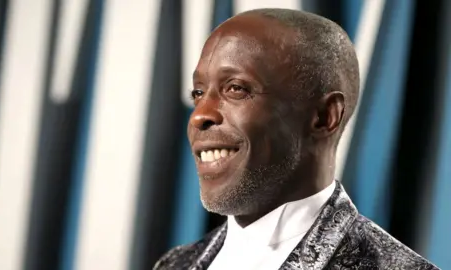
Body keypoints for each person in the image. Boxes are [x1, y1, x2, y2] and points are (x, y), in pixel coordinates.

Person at [154, 8, 439, 270]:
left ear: (325, 116)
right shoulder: (175, 264)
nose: (199, 116)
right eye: (198, 93)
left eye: (236, 88)